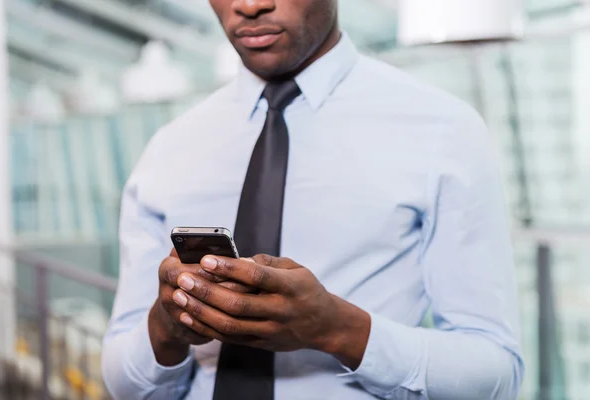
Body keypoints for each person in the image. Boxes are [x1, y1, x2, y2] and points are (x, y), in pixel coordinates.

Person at [102, 0, 525, 399]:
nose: (248, 6)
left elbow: (495, 373)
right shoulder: (168, 149)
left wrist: (338, 330)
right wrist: (165, 328)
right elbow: (125, 383)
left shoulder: (443, 131)